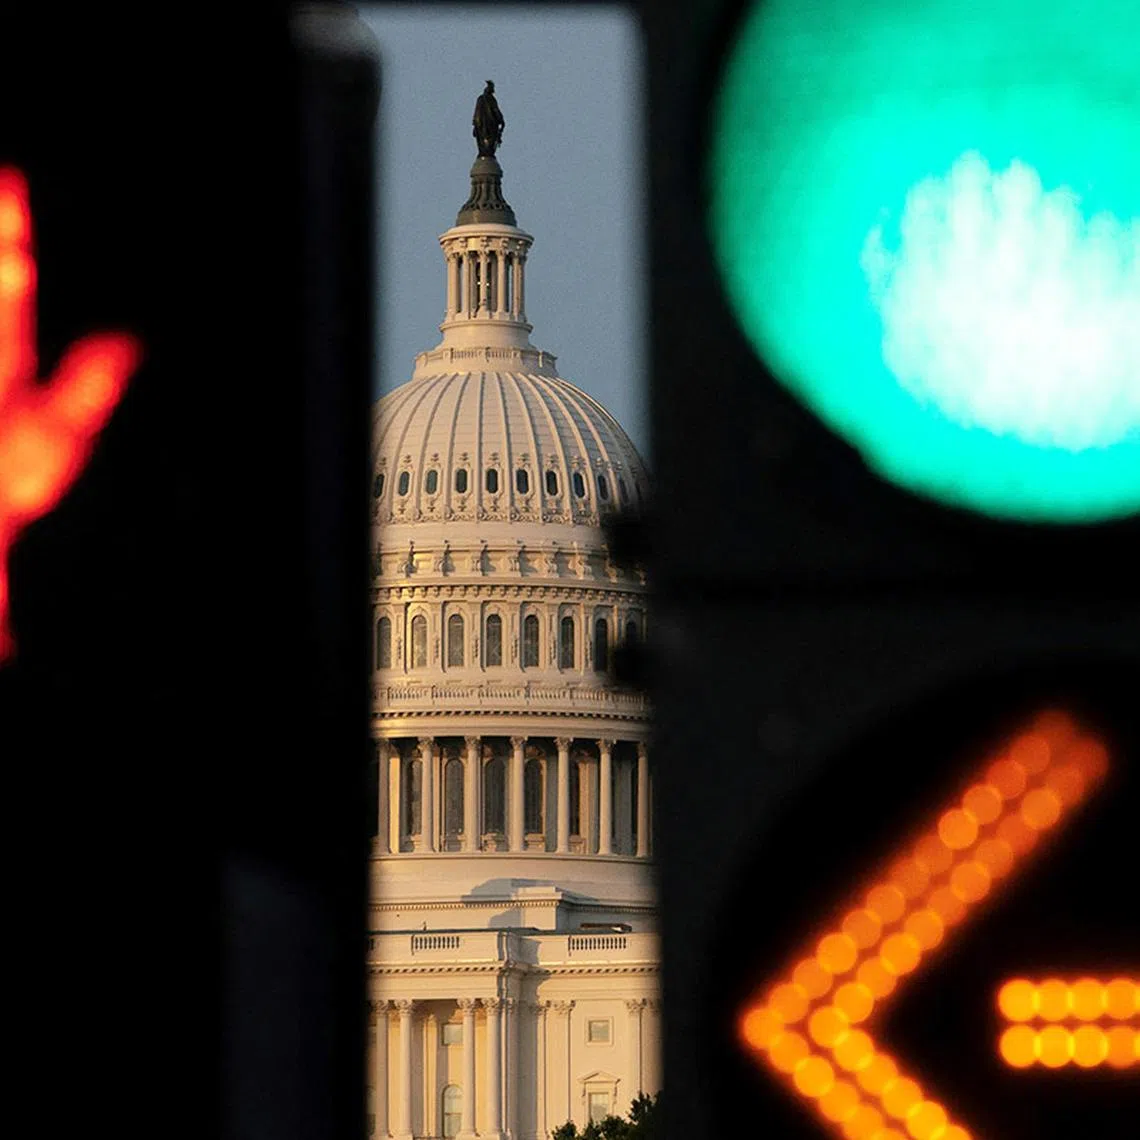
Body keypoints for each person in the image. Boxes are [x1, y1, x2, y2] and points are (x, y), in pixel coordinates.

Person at [473, 80, 505, 157]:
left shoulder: (480, 99)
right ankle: (486, 151)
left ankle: (484, 151)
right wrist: (502, 121)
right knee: (489, 139)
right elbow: (495, 110)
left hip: (481, 125)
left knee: (482, 139)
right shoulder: (490, 99)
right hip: (490, 124)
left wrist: (475, 124)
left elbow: (476, 113)